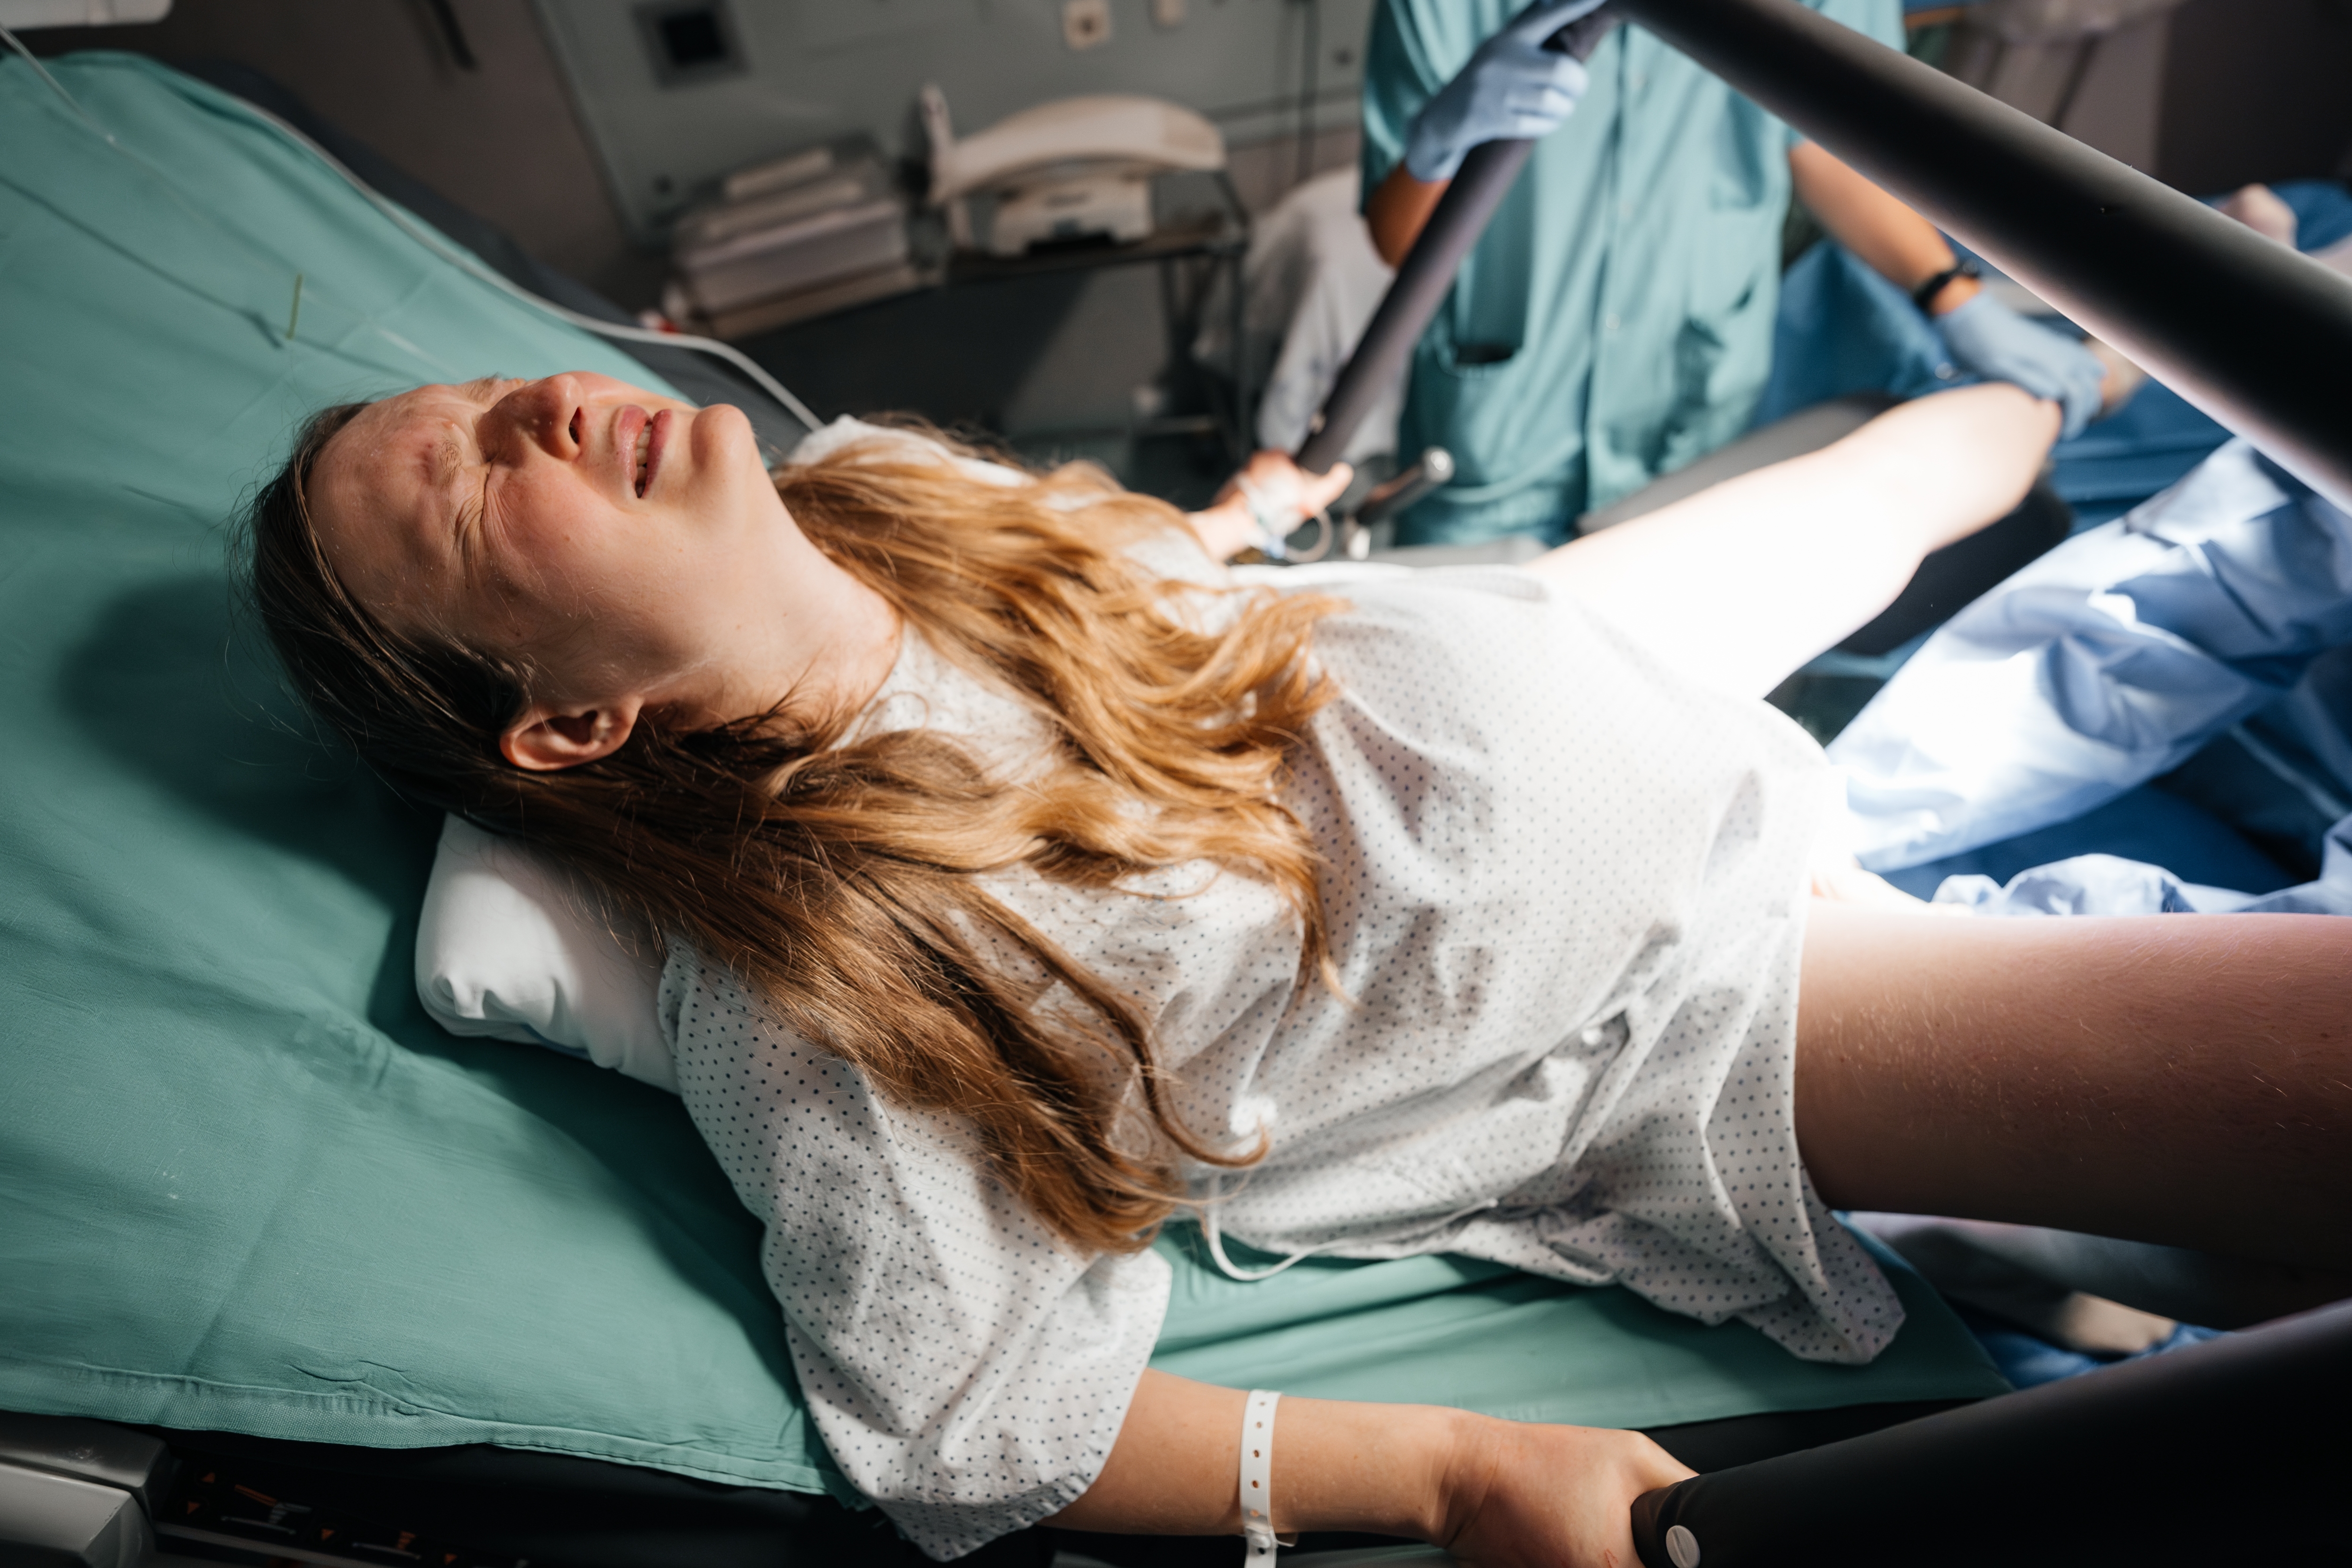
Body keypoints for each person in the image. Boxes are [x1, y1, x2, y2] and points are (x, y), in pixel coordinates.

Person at [244, 372, 2351, 1565]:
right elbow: (978, 1430)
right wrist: (1453, 1466)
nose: (534, 405)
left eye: (481, 393)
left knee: (1979, 428)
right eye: (470, 484)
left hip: (1562, 644)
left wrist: (1244, 514)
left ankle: (2063, 374)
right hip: (1712, 1010)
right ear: (568, 725)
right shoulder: (825, 979)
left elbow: (1140, 579)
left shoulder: (875, 492)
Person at [1360, 0, 2109, 546]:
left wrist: (1948, 294)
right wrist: (1437, 144)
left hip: (1693, 418)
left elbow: (1826, 145)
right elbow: (1398, 244)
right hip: (1497, 433)